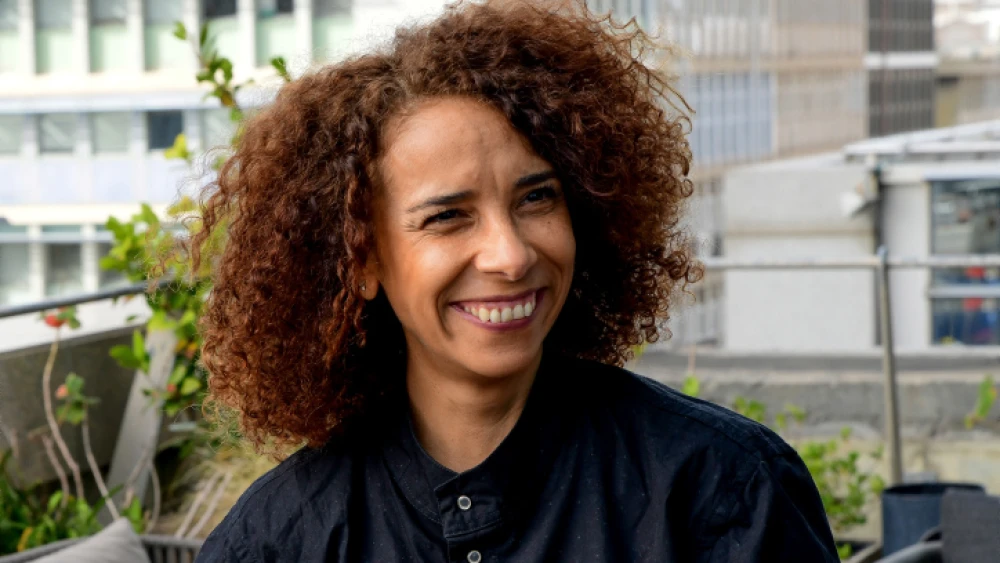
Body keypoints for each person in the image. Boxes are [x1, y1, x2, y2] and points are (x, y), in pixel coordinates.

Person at [192, 1, 839, 561]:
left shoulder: (720, 491)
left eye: (536, 199)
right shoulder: (280, 539)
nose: (510, 253)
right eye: (448, 217)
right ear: (359, 261)